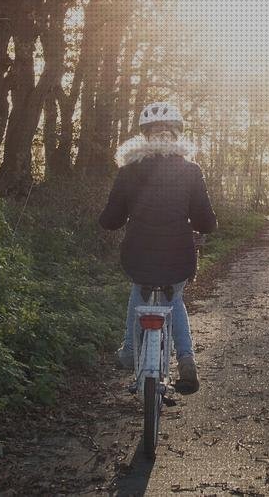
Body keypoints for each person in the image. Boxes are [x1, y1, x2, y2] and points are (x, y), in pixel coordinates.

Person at [99, 101, 217, 394]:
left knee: (139, 286)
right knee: (174, 296)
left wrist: (115, 216)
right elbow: (205, 220)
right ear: (177, 135)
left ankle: (129, 350)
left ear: (144, 135)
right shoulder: (191, 170)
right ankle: (186, 359)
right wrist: (204, 226)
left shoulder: (128, 170)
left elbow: (110, 220)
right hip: (179, 254)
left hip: (137, 252)